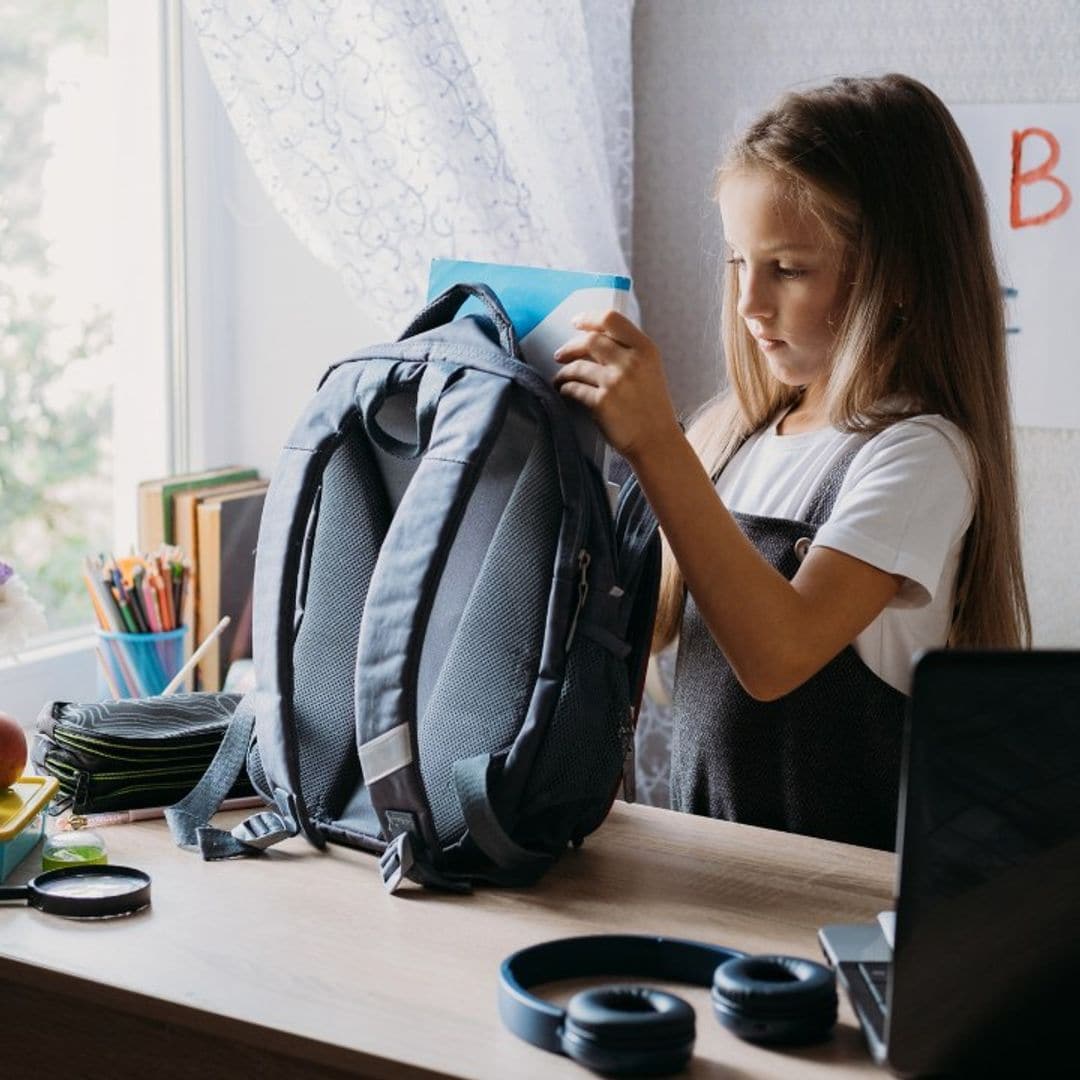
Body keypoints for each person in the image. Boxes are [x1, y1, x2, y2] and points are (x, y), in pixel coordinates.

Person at [552, 73, 1030, 850]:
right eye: (739, 262)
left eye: (789, 268)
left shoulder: (919, 456)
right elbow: (650, 651)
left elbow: (775, 656)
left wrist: (656, 448)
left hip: (833, 905)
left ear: (898, 276)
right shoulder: (731, 438)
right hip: (719, 877)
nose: (749, 303)